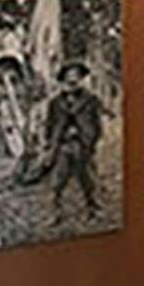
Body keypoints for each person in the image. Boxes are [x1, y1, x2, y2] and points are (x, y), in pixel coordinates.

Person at [43, 58, 105, 221]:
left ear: (81, 78)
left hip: (82, 144)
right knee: (57, 181)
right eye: (69, 76)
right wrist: (50, 144)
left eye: (76, 75)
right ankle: (55, 213)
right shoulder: (55, 102)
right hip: (63, 146)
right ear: (63, 79)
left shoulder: (90, 100)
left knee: (87, 179)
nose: (73, 79)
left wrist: (89, 139)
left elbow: (96, 124)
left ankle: (93, 209)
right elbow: (50, 125)